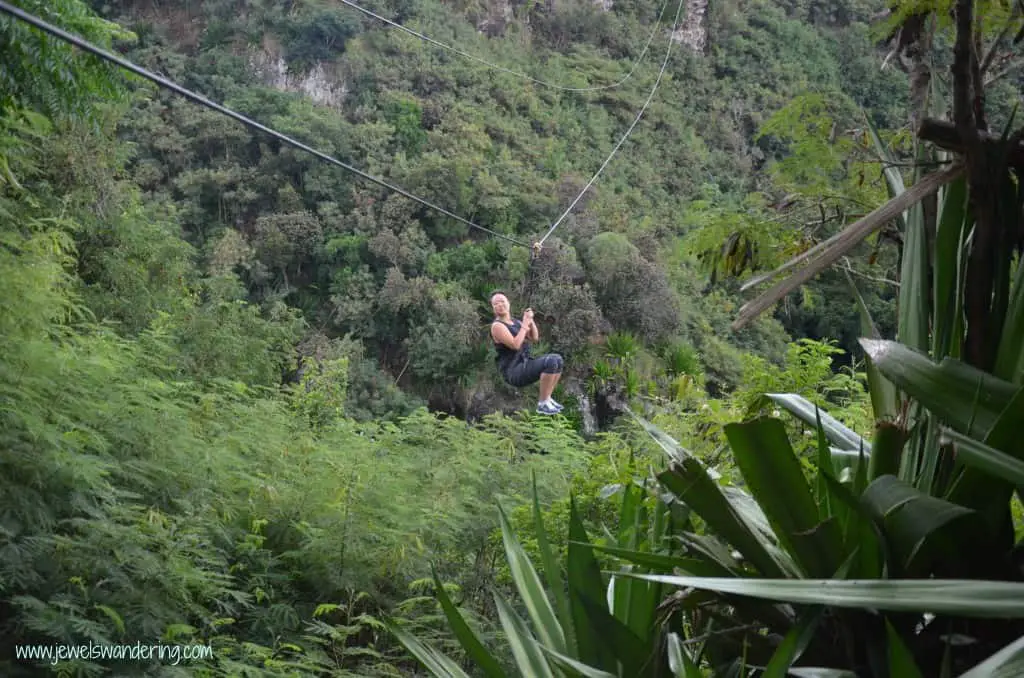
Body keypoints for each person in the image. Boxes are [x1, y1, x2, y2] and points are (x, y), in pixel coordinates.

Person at [489, 291, 564, 415]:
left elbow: (534, 338)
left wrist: (530, 320)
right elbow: (515, 345)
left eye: (502, 301)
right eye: (496, 303)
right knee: (550, 361)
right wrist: (524, 323)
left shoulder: (516, 322)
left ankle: (547, 398)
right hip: (513, 371)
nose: (500, 305)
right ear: (493, 308)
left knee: (558, 359)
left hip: (525, 363)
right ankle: (543, 403)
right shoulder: (497, 326)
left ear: (508, 303)